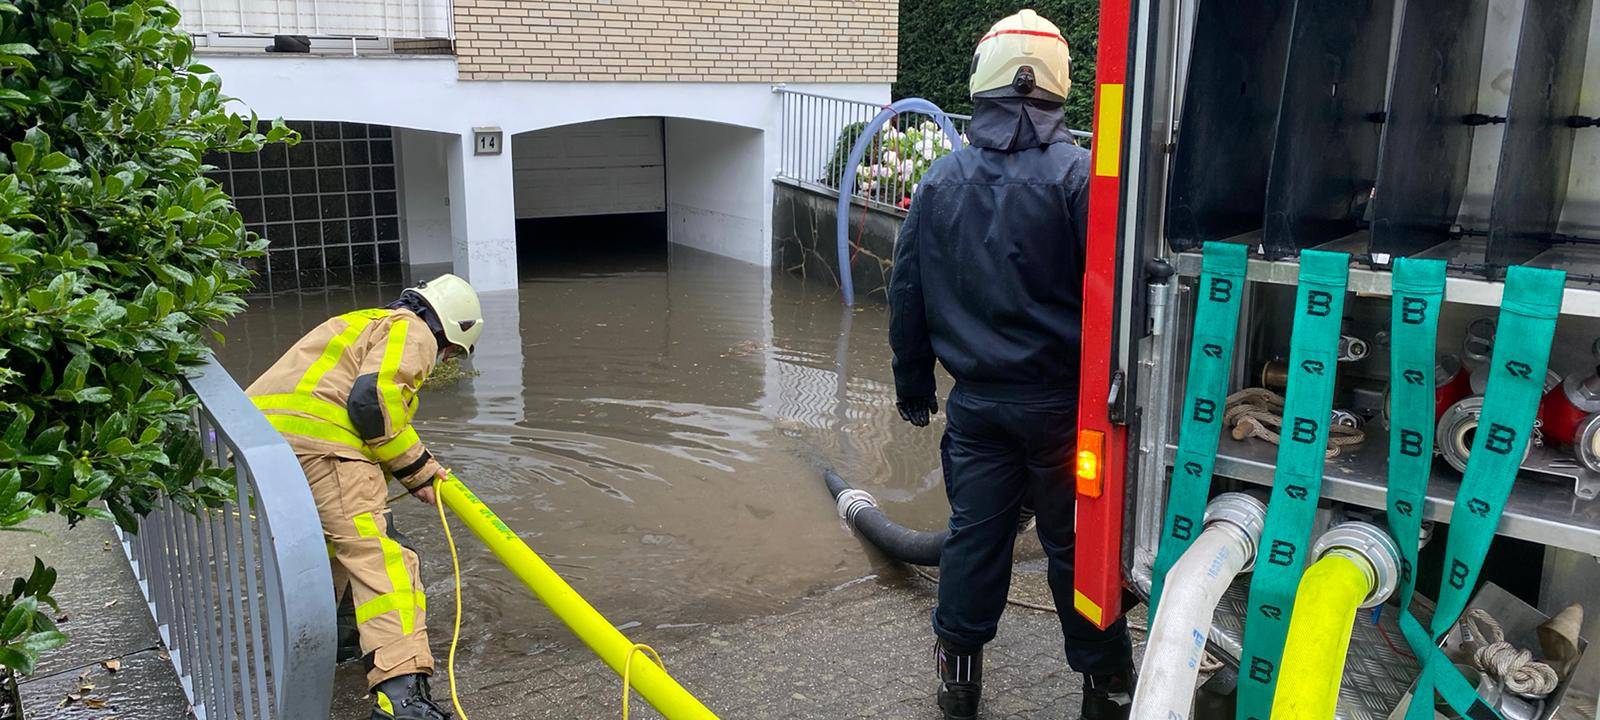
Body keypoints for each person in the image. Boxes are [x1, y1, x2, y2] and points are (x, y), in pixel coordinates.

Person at [887, 10, 1136, 720]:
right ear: (1059, 87)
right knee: (1077, 552)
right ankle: (1106, 688)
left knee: (973, 541)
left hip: (980, 410)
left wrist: (915, 388)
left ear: (981, 84)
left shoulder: (940, 183)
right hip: (1069, 413)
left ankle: (959, 686)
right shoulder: (1086, 181)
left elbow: (907, 294)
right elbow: (1116, 305)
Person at [247, 274, 484, 720]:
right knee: (387, 562)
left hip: (267, 455)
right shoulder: (411, 330)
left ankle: (334, 648)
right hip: (326, 451)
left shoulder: (355, 322)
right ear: (450, 333)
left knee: (332, 553)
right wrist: (419, 470)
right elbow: (372, 402)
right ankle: (402, 702)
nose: (443, 360)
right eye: (450, 352)